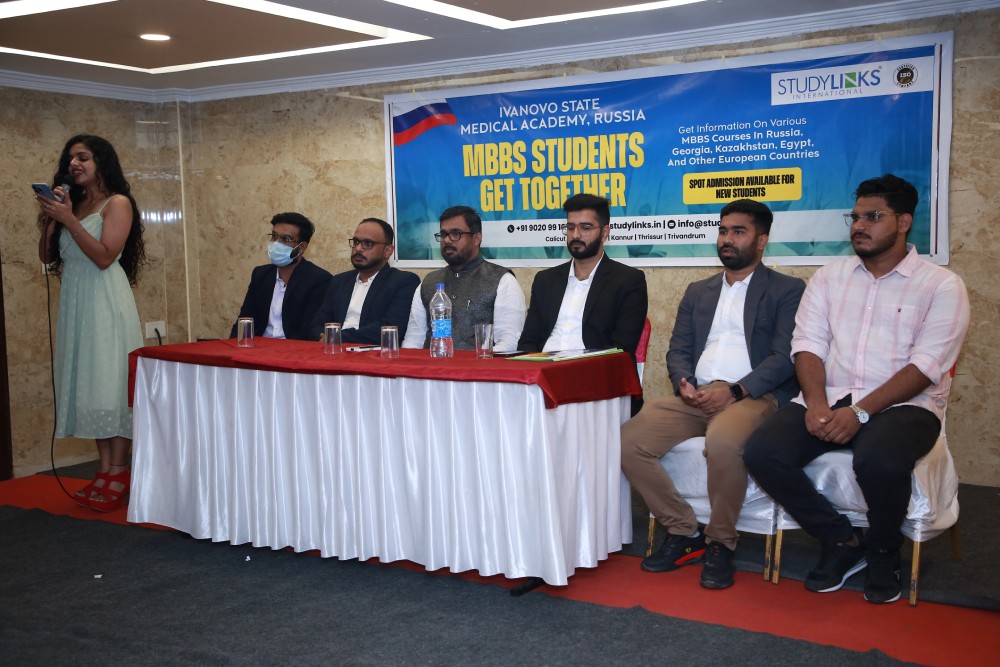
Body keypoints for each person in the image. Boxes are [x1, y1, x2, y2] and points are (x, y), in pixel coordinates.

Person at [744, 174, 970, 604]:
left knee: (879, 459)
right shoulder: (829, 278)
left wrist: (861, 412)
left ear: (903, 222)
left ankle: (884, 549)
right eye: (856, 217)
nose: (859, 226)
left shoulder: (941, 285)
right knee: (762, 452)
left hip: (905, 404)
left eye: (873, 217)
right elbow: (807, 345)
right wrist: (815, 404)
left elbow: (926, 366)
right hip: (831, 395)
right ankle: (842, 540)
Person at [621, 199, 805, 589]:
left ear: (762, 240)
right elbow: (678, 348)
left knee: (722, 443)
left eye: (738, 231)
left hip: (754, 396)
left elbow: (784, 357)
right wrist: (684, 381)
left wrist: (735, 391)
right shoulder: (699, 291)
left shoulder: (787, 289)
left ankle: (721, 542)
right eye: (723, 231)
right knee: (628, 441)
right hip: (697, 396)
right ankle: (684, 531)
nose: (726, 239)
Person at [36, 134, 146, 512]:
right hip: (77, 305)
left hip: (105, 303)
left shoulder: (118, 204)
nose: (74, 164)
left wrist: (69, 220)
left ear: (101, 162)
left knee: (112, 386)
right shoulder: (74, 203)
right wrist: (54, 217)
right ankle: (104, 470)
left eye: (83, 157)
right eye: (71, 158)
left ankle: (119, 472)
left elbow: (103, 257)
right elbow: (46, 256)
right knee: (93, 389)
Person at [517, 193, 648, 358]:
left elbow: (620, 350)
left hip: (593, 370)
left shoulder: (628, 281)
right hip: (542, 368)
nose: (575, 235)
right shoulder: (545, 281)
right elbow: (528, 342)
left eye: (585, 228)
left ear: (604, 233)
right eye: (570, 228)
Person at [401, 205, 526, 351]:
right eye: (443, 234)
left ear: (476, 238)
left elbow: (508, 344)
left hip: (480, 365)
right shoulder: (428, 283)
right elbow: (413, 341)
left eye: (456, 234)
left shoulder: (503, 281)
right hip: (432, 364)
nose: (447, 240)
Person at [307, 218, 420, 343]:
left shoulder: (403, 282)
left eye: (368, 243)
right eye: (356, 242)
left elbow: (391, 328)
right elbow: (317, 323)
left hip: (373, 352)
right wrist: (323, 337)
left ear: (387, 251)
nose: (358, 248)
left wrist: (337, 337)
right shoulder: (339, 281)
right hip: (331, 349)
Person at [231, 212, 332, 341]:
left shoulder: (319, 279)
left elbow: (308, 330)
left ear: (302, 247)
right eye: (274, 236)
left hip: (293, 349)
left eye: (286, 239)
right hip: (258, 346)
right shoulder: (260, 275)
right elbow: (244, 320)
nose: (276, 243)